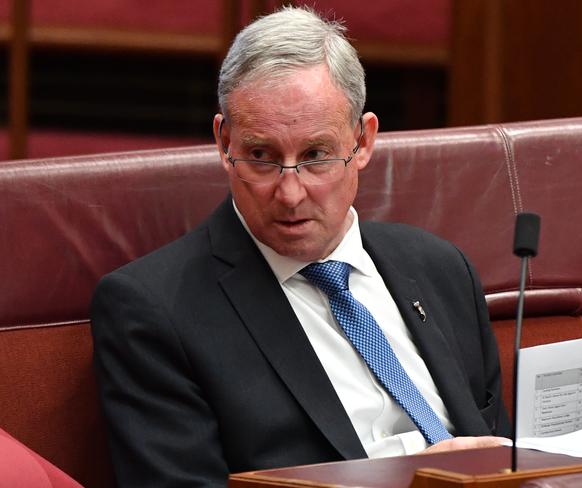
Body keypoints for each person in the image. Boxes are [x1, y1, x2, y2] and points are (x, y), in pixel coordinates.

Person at [91, 6, 510, 488]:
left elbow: (501, 451)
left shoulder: (440, 268)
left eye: (316, 156)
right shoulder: (153, 310)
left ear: (364, 140)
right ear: (224, 143)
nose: (290, 194)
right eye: (262, 157)